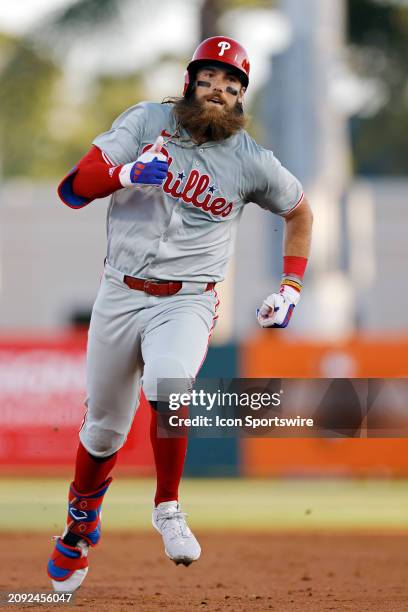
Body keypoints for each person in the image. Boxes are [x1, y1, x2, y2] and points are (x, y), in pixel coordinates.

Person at [47, 35, 313, 592]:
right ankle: (79, 523)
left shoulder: (251, 161)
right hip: (120, 292)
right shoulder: (145, 122)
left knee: (171, 385)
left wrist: (291, 284)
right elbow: (73, 188)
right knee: (103, 429)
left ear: (242, 99)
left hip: (189, 297)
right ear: (190, 82)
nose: (220, 90)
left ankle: (167, 506)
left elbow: (298, 210)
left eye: (233, 85)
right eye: (210, 79)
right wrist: (123, 175)